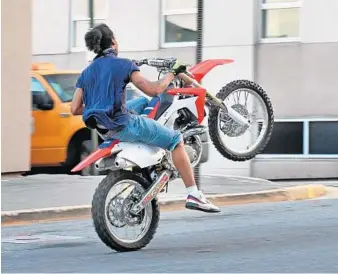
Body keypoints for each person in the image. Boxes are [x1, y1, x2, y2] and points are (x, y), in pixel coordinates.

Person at [71, 23, 220, 213]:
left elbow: (75, 108)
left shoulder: (86, 72)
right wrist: (171, 73)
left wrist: (100, 106)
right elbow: (155, 89)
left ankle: (152, 142)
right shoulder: (124, 65)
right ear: (114, 42)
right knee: (175, 140)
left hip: (104, 128)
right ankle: (194, 194)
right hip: (124, 125)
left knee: (141, 102)